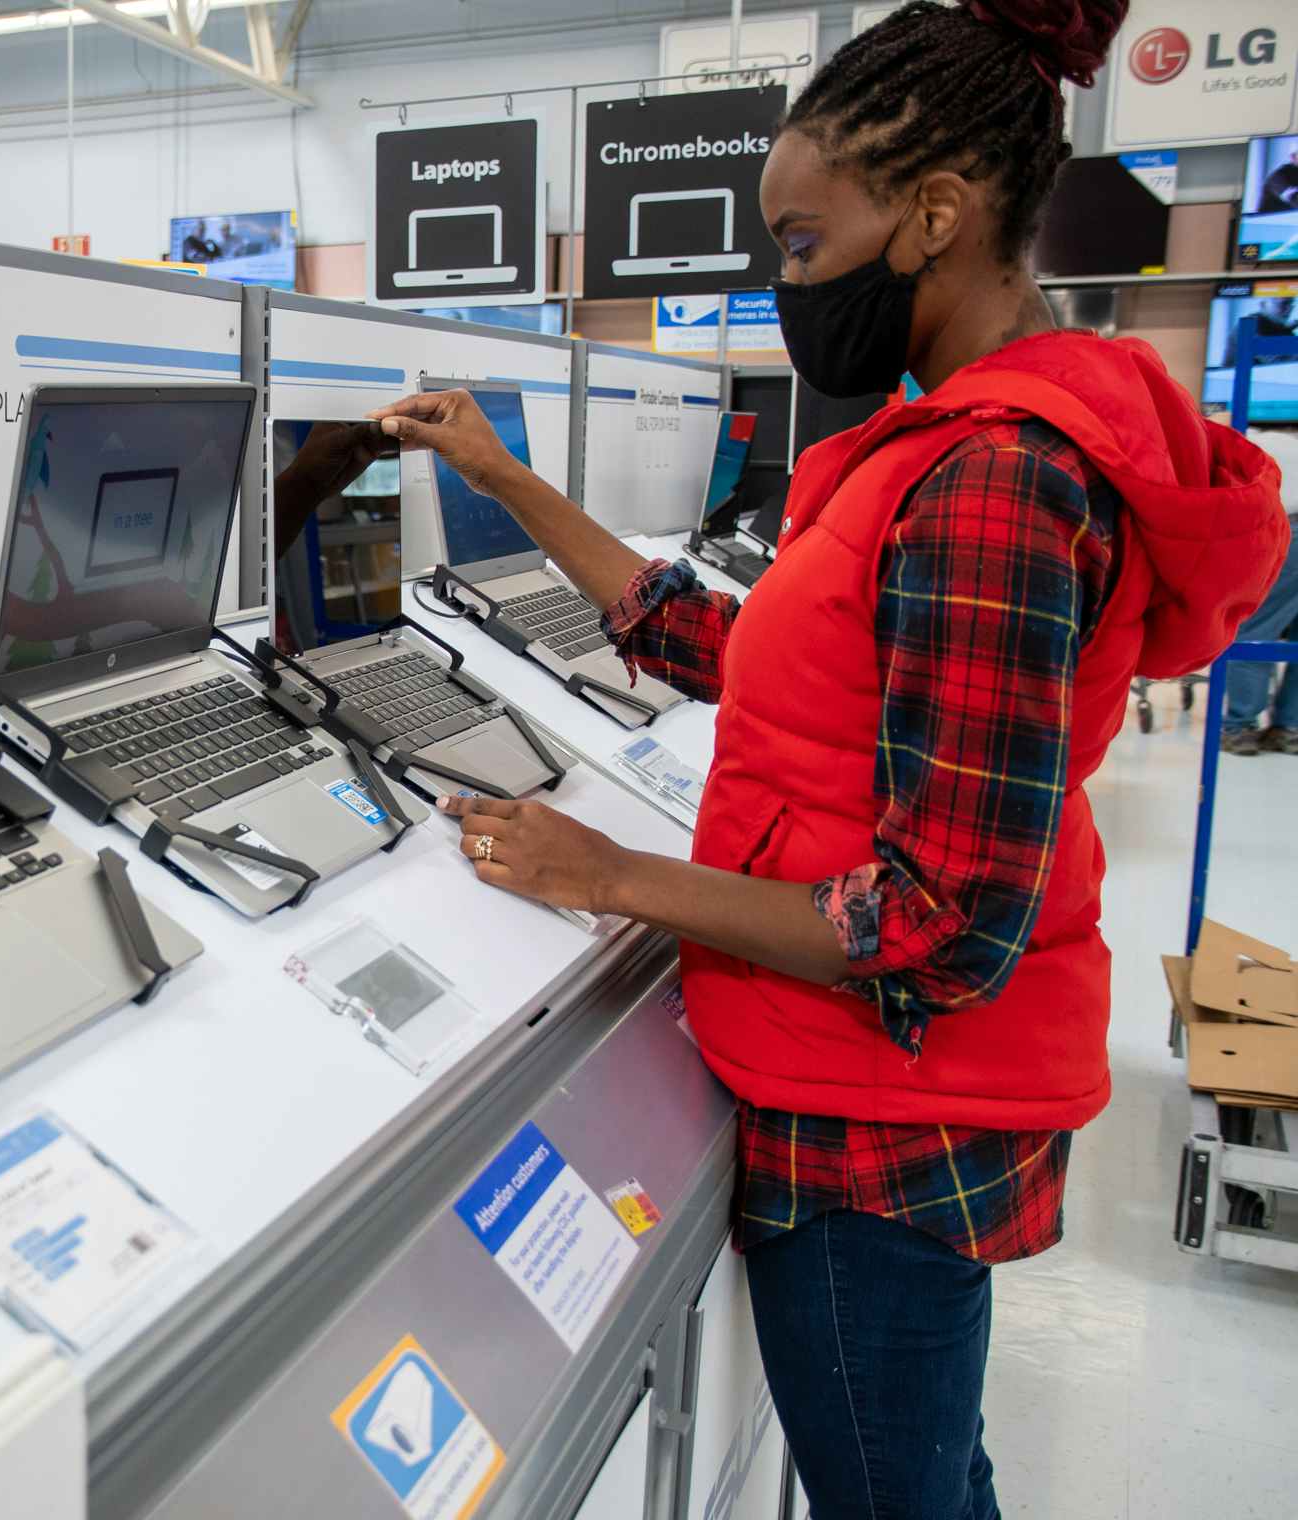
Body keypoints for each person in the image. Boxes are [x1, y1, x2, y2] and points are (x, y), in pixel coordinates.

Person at [367, 2, 1288, 1515]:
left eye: (801, 246)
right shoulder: (978, 443)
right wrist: (504, 477)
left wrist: (614, 876)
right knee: (920, 1470)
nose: (788, 284)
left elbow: (938, 925)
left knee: (901, 1494)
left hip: (887, 1136)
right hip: (884, 1098)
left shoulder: (994, 480)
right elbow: (758, 664)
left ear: (934, 215)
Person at [1223, 426, 1298, 754]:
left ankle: (1240, 727)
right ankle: (1289, 727)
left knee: (1255, 630)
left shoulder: (1249, 443)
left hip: (1286, 531)